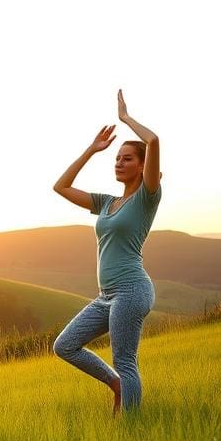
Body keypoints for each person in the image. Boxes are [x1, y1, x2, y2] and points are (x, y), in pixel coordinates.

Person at [51, 90, 160, 415]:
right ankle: (116, 386)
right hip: (106, 295)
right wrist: (92, 150)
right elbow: (61, 187)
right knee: (65, 346)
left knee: (125, 360)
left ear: (143, 168)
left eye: (128, 158)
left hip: (132, 290)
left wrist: (125, 119)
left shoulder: (146, 197)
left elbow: (153, 141)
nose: (119, 162)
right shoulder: (107, 203)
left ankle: (131, 425)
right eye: (117, 158)